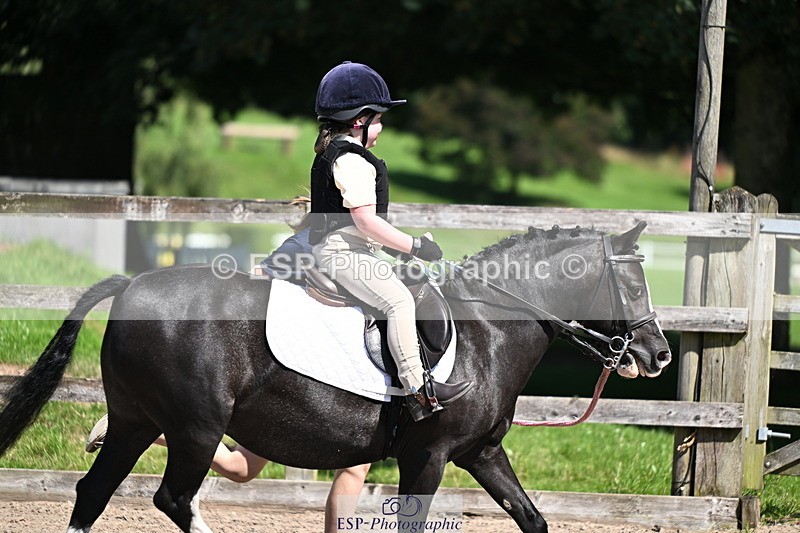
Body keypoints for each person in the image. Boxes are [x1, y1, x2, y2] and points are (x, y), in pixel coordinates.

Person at [309, 61, 474, 421]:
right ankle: (419, 390)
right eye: (379, 119)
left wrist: (399, 250)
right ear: (360, 120)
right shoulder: (352, 161)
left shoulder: (337, 151)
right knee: (398, 301)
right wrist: (416, 246)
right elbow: (365, 221)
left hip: (347, 247)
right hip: (342, 253)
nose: (381, 128)